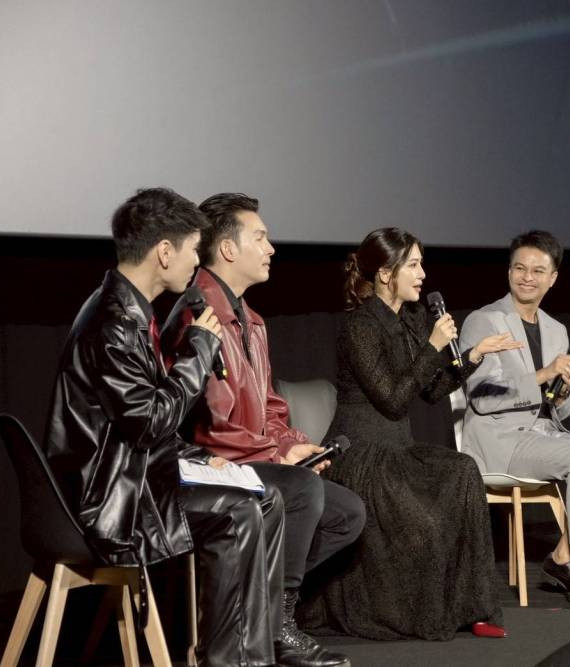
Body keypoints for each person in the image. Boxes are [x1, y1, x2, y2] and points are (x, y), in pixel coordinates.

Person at [43, 188, 285, 666]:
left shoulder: (132, 311)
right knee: (237, 512)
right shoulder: (113, 323)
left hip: (135, 478)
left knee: (266, 497)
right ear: (165, 252)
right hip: (111, 499)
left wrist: (202, 458)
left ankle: (251, 654)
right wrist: (198, 354)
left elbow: (142, 424)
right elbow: (149, 424)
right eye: (194, 249)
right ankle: (232, 660)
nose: (198, 261)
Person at [162, 193, 363, 667]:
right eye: (261, 237)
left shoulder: (252, 320)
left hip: (252, 461)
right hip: (210, 468)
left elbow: (270, 407)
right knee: (301, 490)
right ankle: (275, 629)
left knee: (347, 514)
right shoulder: (199, 314)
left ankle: (257, 608)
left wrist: (294, 444)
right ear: (228, 249)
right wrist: (278, 457)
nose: (271, 248)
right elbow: (211, 427)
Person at [296, 228, 521, 641]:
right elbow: (393, 400)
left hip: (398, 449)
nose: (422, 274)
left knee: (463, 471)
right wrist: (433, 346)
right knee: (423, 521)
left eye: (421, 264)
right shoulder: (359, 326)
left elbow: (431, 392)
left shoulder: (412, 320)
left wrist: (472, 356)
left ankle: (476, 608)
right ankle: (414, 613)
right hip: (361, 454)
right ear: (386, 273)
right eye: (413, 265)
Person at [459, 230, 570, 608]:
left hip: (542, 433)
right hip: (498, 439)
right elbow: (482, 397)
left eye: (538, 271)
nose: (527, 277)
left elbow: (560, 410)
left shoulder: (556, 329)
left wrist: (564, 390)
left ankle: (560, 558)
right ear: (509, 271)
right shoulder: (484, 320)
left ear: (552, 278)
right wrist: (543, 374)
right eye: (519, 268)